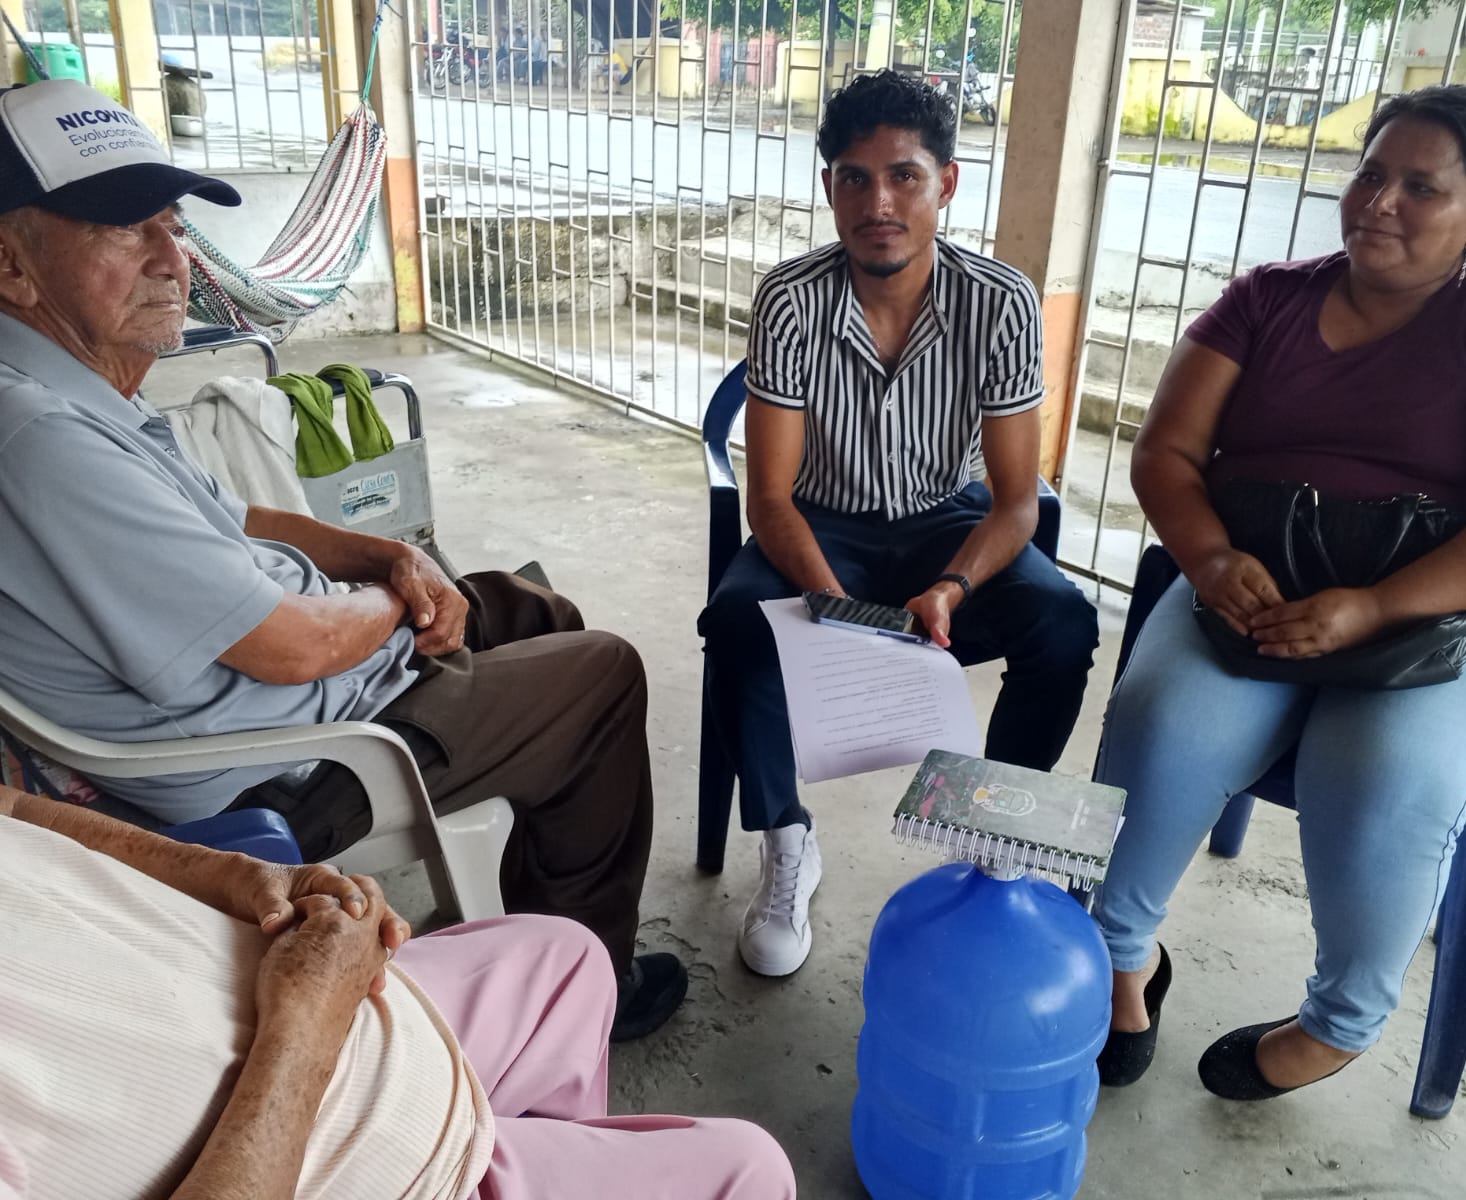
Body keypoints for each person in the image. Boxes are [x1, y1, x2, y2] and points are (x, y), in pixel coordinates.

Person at [0, 79, 683, 1041]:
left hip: (304, 685)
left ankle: (532, 927)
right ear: (12, 265)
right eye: (122, 228)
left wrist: (390, 552)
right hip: (276, 764)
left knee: (530, 610)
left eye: (172, 223)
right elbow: (293, 647)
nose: (172, 257)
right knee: (601, 673)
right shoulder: (41, 436)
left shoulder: (76, 385)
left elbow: (233, 516)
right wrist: (396, 596)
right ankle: (579, 999)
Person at [1093, 85, 1466, 1099]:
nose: (1379, 202)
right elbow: (1166, 452)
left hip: (1451, 608)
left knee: (1379, 771)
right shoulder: (1265, 300)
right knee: (1162, 722)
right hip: (1259, 584)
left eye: (1422, 187)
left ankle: (1337, 1025)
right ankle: (1119, 959)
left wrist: (1374, 607)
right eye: (1370, 174)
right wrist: (1208, 559)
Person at [698, 70, 1099, 978]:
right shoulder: (790, 300)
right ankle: (788, 842)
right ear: (829, 186)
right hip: (821, 525)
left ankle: (995, 836)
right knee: (737, 625)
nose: (878, 203)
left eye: (904, 176)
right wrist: (835, 608)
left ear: (945, 183)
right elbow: (770, 499)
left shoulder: (1001, 301)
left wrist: (953, 585)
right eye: (854, 177)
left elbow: (1016, 500)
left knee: (1064, 623)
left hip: (946, 527)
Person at [0, 783, 798, 1200]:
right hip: (310, 1134)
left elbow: (9, 805)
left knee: (570, 961)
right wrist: (308, 1022)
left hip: (286, 997)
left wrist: (233, 874)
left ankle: (510, 1146)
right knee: (746, 1172)